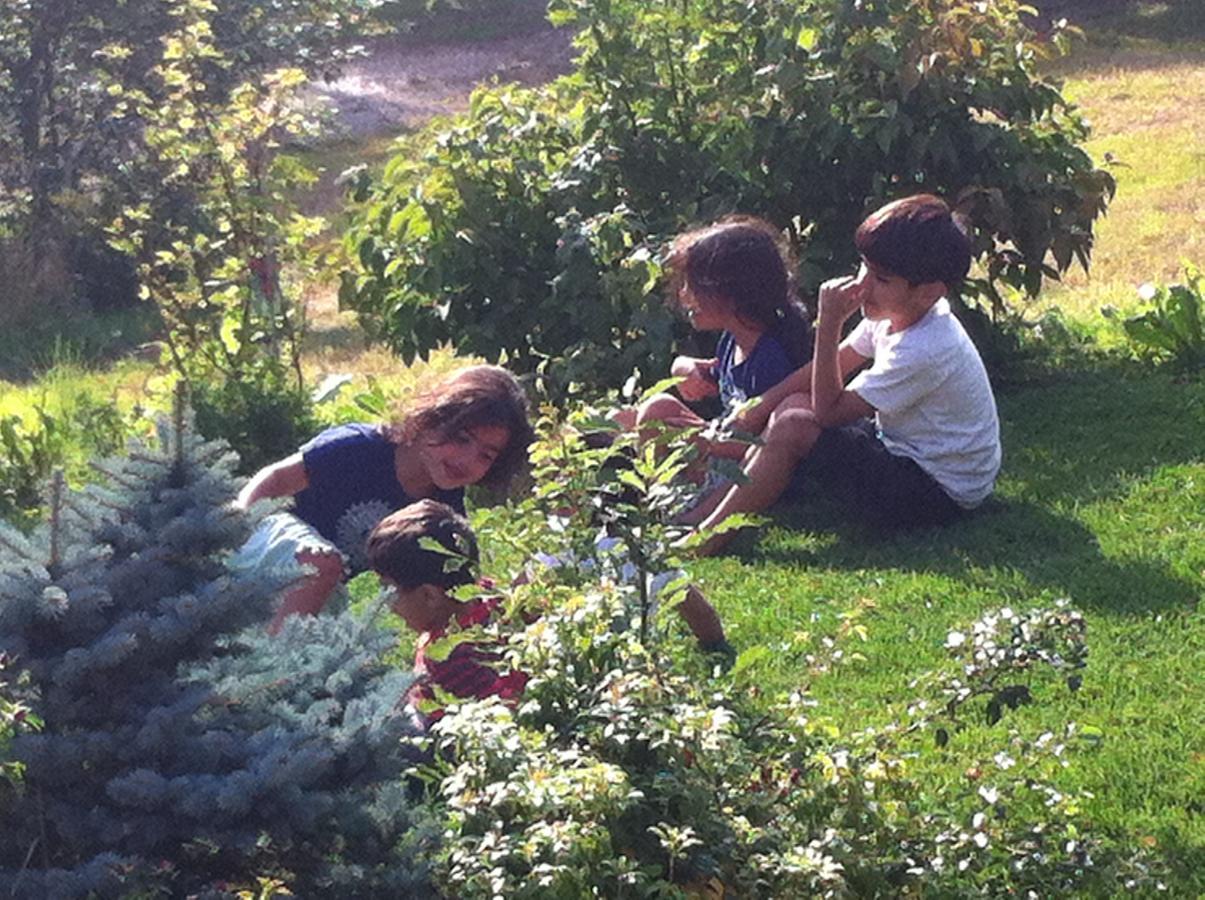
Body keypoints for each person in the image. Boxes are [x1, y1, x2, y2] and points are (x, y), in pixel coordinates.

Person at [685, 194, 1001, 554]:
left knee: (795, 424)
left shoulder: (924, 347)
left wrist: (829, 324)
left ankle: (707, 538)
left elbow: (828, 412)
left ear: (928, 292)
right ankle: (706, 513)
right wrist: (756, 409)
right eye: (864, 266)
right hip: (901, 450)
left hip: (938, 491)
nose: (864, 284)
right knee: (791, 406)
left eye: (881, 278)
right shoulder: (901, 314)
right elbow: (839, 361)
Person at [232, 365, 534, 633]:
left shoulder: (440, 508)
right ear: (432, 417)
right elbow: (276, 479)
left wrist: (510, 604)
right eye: (462, 438)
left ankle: (275, 668)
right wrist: (231, 528)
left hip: (319, 587)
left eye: (486, 454)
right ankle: (267, 675)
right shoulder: (360, 449)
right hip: (263, 547)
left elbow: (446, 594)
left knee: (325, 600)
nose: (467, 459)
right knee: (321, 563)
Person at [621, 216, 813, 469]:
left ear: (733, 294)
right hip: (721, 443)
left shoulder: (770, 359)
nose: (684, 295)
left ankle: (667, 497)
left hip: (744, 471)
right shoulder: (734, 341)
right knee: (641, 412)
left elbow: (771, 446)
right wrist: (684, 367)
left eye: (693, 285)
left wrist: (703, 440)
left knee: (655, 414)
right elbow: (709, 375)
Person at [366, 499, 527, 728]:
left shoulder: (449, 659)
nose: (387, 604)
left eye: (389, 590)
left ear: (430, 596)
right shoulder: (493, 597)